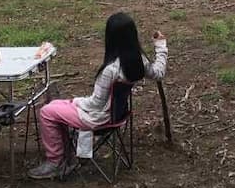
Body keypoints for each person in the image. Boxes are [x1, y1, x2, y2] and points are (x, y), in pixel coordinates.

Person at [28, 12, 167, 179]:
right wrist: (161, 45)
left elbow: (95, 104)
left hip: (99, 118)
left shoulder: (111, 70)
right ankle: (67, 157)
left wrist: (76, 102)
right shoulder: (139, 60)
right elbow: (158, 72)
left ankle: (55, 162)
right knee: (56, 106)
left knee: (47, 112)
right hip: (118, 114)